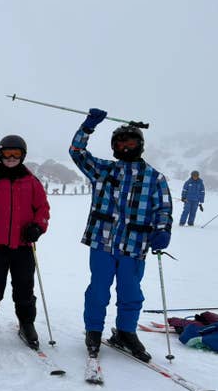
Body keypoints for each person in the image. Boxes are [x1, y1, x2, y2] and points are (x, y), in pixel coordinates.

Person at [70, 108, 172, 362]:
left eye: (131, 141)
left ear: (140, 144)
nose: (126, 146)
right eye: (120, 142)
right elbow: (77, 153)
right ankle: (93, 330)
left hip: (135, 245)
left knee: (131, 292)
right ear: (114, 147)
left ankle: (126, 332)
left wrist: (163, 230)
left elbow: (164, 207)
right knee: (98, 290)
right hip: (102, 242)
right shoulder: (103, 171)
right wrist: (87, 128)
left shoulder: (154, 178)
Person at [0, 135, 50, 348]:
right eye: (6, 154)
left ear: (23, 156)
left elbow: (43, 208)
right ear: (0, 155)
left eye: (16, 154)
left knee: (24, 286)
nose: (11, 158)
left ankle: (26, 322)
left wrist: (38, 227)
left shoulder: (31, 181)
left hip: (23, 244)